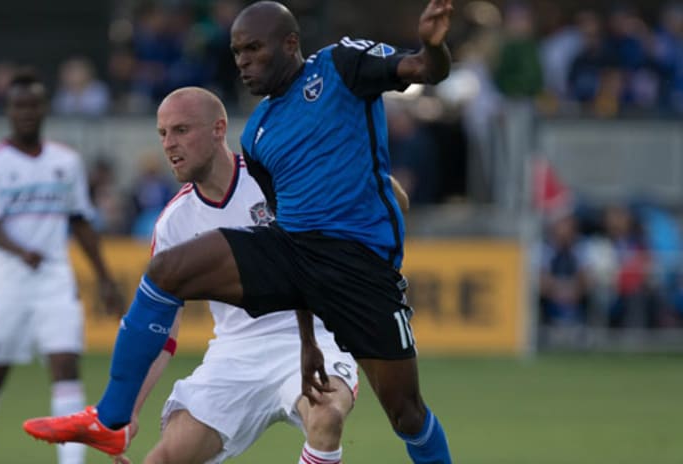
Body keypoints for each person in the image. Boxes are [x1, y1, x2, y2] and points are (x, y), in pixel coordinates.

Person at [24, 2, 454, 463]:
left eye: (253, 49)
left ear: (290, 44)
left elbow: (423, 69)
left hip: (361, 275)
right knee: (167, 269)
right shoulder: (260, 135)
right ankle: (109, 418)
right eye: (236, 53)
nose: (243, 62)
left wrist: (432, 45)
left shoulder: (340, 65)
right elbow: (287, 233)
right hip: (290, 272)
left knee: (406, 415)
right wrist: (307, 341)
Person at [122, 87, 360, 464]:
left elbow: (373, 203)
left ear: (219, 129)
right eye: (163, 133)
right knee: (164, 459)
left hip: (313, 338)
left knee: (327, 416)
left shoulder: (278, 179)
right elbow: (163, 330)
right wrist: (129, 410)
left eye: (182, 130)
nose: (169, 144)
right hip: (236, 353)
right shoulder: (173, 223)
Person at [0, 70, 124, 464]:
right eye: (20, 105)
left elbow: (80, 221)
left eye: (34, 104)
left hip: (54, 279)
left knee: (66, 365)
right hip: (6, 283)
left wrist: (104, 277)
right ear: (8, 110)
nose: (27, 112)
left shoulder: (65, 162)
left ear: (45, 107)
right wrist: (20, 251)